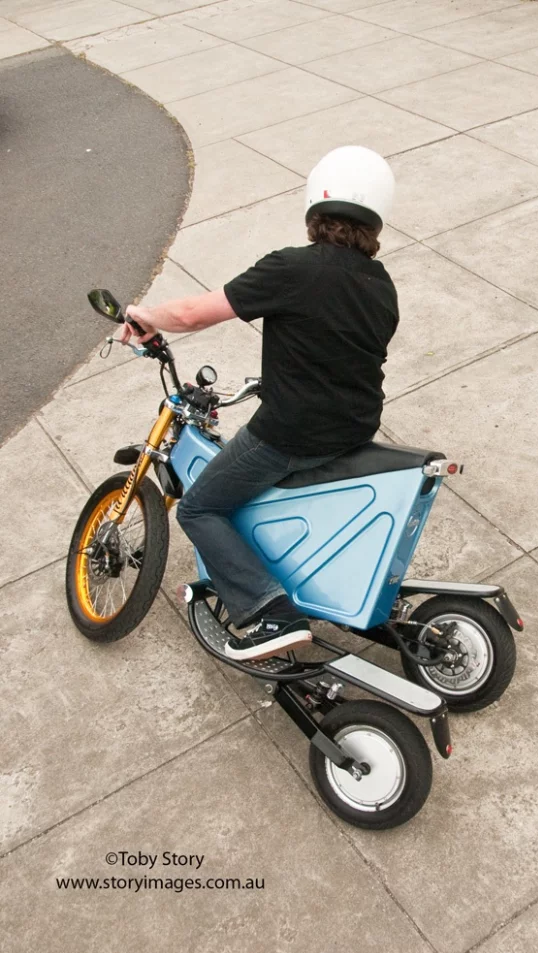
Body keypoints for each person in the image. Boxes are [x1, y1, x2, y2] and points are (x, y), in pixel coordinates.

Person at [122, 146, 399, 662]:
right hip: (355, 426)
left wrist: (145, 314)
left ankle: (269, 611)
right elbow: (339, 349)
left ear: (316, 209)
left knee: (201, 506)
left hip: (292, 434)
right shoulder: (381, 285)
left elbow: (194, 314)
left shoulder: (293, 268)